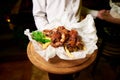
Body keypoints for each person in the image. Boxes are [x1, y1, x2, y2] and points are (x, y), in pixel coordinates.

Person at [32, 0, 99, 30]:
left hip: (78, 31)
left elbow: (73, 8)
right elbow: (39, 15)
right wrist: (49, 34)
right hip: (54, 31)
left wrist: (96, 13)